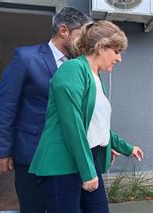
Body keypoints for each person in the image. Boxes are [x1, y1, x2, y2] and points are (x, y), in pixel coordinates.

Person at [29, 20, 144, 213]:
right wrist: (88, 172)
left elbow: (95, 123)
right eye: (117, 51)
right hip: (63, 165)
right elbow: (72, 124)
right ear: (100, 47)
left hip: (86, 159)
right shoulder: (73, 69)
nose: (119, 58)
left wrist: (126, 147)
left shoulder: (95, 77)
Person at [0, 7, 91, 213]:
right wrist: (1, 151)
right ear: (64, 30)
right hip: (32, 154)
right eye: (82, 35)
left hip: (69, 157)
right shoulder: (26, 57)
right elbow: (5, 106)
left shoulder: (80, 66)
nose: (85, 43)